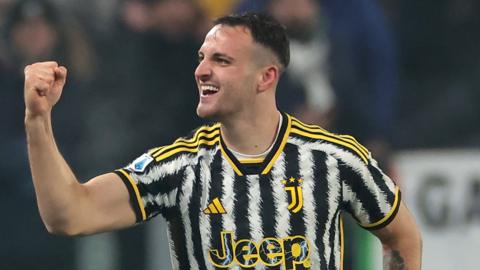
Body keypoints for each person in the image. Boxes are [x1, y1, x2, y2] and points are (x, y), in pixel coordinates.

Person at [24, 12, 421, 270]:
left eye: (221, 61)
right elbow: (69, 214)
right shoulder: (178, 168)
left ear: (265, 77)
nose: (201, 70)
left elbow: (402, 236)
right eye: (201, 57)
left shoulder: (335, 159)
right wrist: (38, 120)